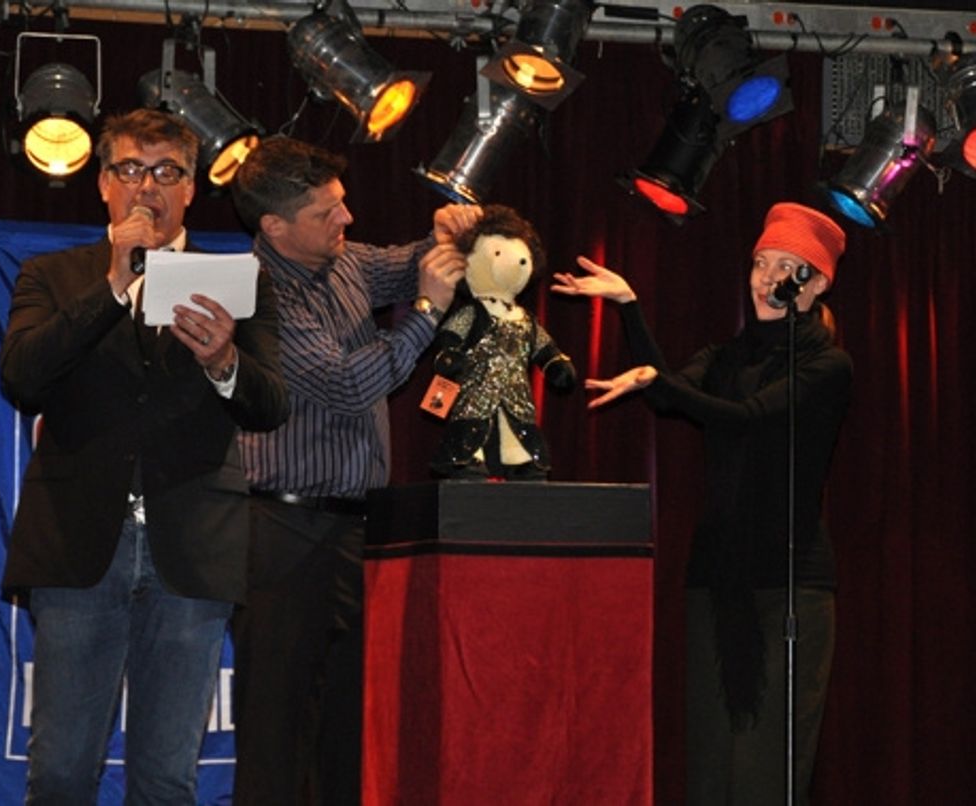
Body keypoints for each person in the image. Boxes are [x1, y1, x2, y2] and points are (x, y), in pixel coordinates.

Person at [0, 108, 288, 805]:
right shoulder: (54, 275)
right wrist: (112, 288)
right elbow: (21, 379)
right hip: (78, 542)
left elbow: (270, 404)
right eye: (129, 169)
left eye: (166, 173)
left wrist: (223, 360)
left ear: (191, 189)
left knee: (165, 778)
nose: (146, 187)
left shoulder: (238, 281)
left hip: (191, 545)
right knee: (62, 770)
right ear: (102, 183)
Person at [552, 202, 852, 805]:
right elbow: (671, 395)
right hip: (716, 579)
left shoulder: (827, 365)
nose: (768, 279)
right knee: (712, 763)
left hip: (788, 583)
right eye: (761, 263)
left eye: (788, 268)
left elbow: (745, 419)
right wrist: (630, 307)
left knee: (766, 769)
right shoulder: (725, 357)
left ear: (815, 282)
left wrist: (657, 381)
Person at [228, 135, 481, 805]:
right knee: (276, 730)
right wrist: (426, 313)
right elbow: (347, 385)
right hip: (282, 531)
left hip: (353, 532)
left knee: (348, 727)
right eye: (327, 213)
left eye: (343, 204)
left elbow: (406, 264)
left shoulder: (346, 263)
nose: (347, 220)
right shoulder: (260, 293)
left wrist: (447, 233)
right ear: (275, 226)